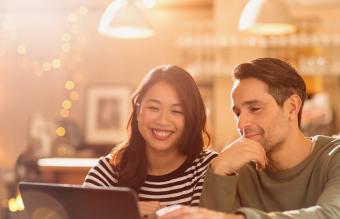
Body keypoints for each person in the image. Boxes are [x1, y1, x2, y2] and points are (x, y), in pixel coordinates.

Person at [158, 58, 340, 219]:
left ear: (292, 107)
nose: (242, 123)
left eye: (254, 108)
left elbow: (331, 214)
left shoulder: (334, 156)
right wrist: (218, 171)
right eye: (237, 113)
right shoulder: (236, 170)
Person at [83, 64, 217, 218]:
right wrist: (127, 212)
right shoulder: (108, 172)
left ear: (190, 119)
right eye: (153, 108)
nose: (162, 120)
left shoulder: (207, 169)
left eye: (177, 111)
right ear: (138, 111)